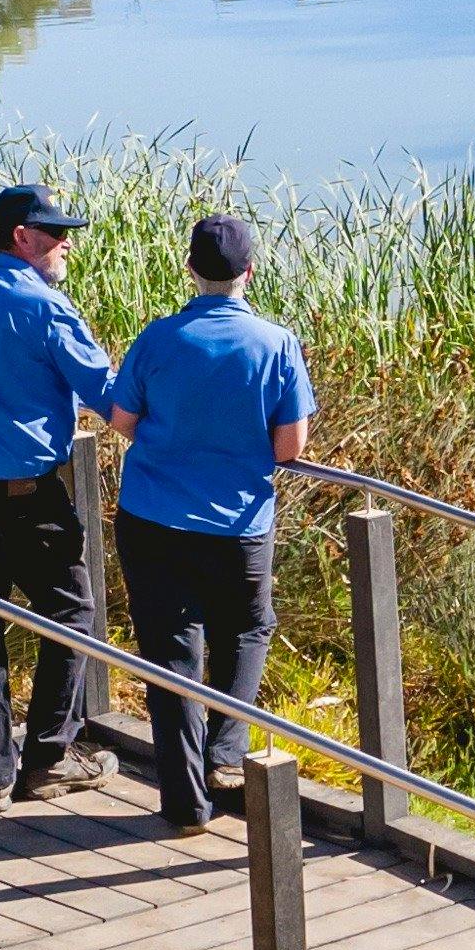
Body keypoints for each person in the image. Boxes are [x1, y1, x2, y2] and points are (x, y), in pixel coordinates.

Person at [96, 213, 314, 832]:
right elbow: (290, 445)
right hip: (239, 522)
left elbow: (122, 419)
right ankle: (225, 754)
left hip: (153, 519)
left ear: (190, 269)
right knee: (247, 629)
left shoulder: (160, 338)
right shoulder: (276, 343)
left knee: (172, 653)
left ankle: (185, 802)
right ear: (250, 272)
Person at [0, 184, 118, 809]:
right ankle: (49, 757)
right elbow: (109, 399)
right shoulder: (47, 309)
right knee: (71, 615)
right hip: (27, 497)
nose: (66, 243)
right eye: (55, 233)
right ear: (20, 237)